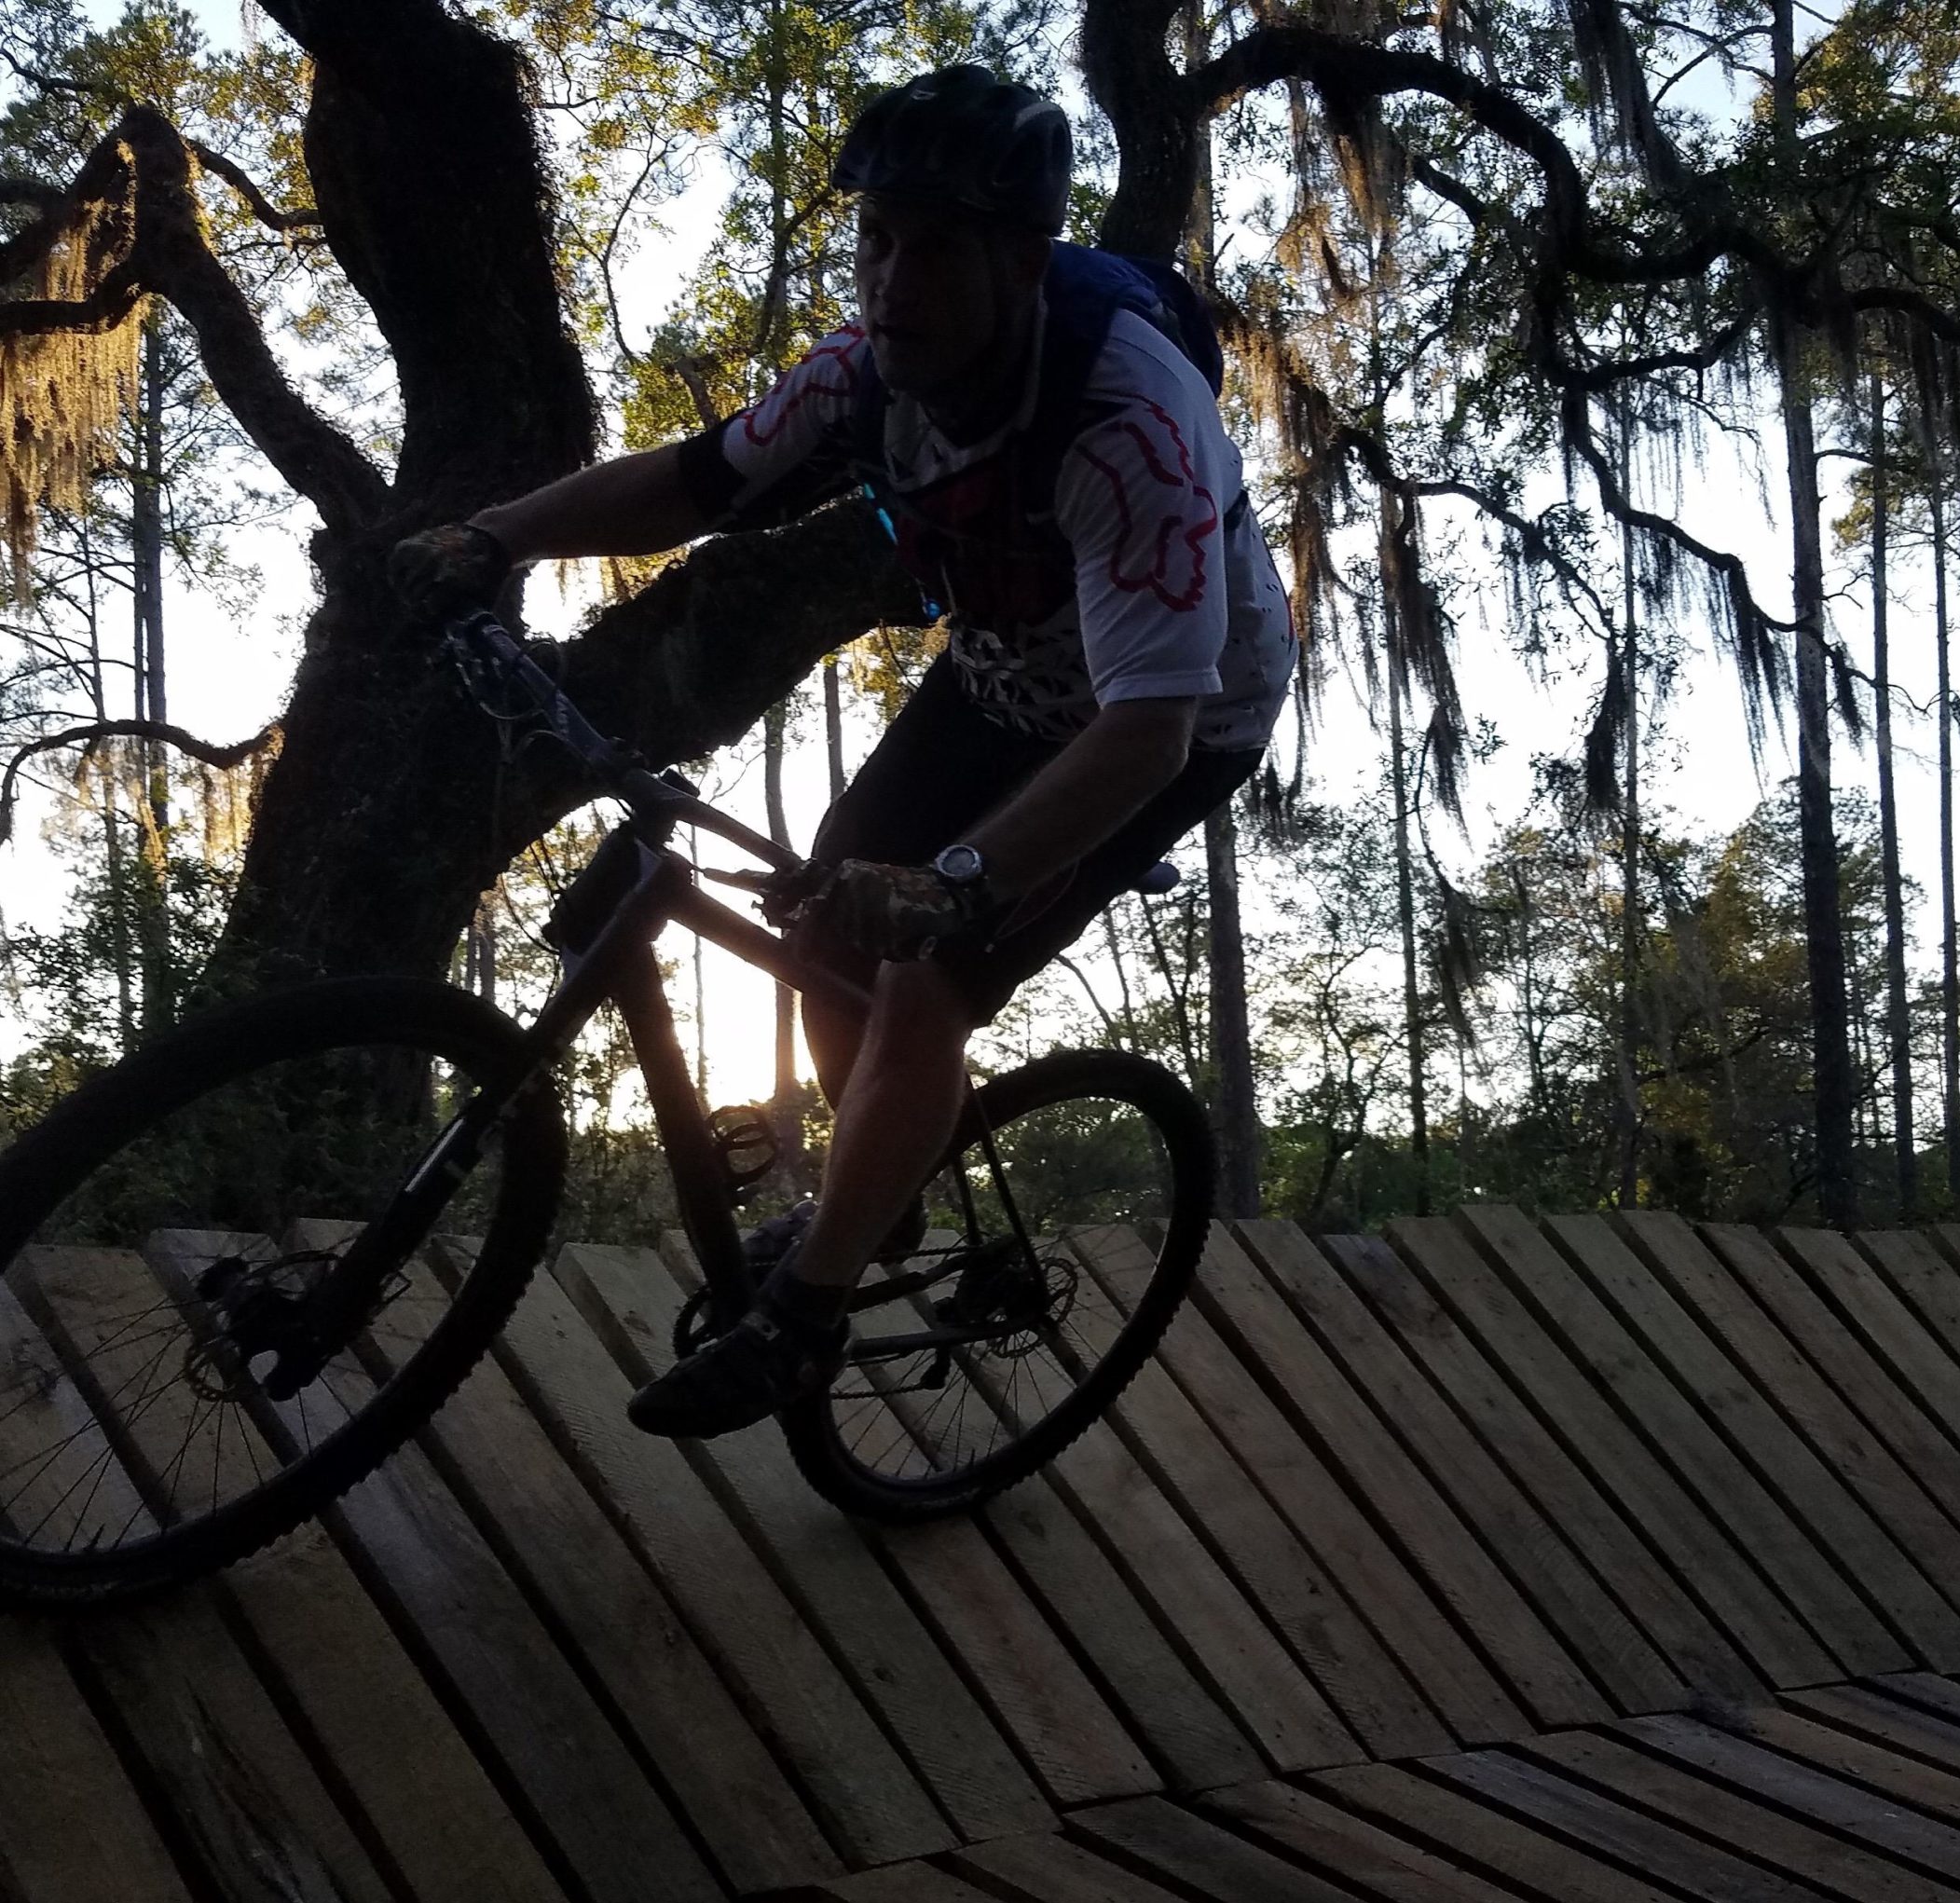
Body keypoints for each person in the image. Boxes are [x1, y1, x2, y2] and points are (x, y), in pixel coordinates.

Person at [393, 62, 1295, 1441]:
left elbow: (1148, 734)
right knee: (830, 910)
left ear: (1019, 259)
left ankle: (802, 1322)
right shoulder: (867, 373)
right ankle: (888, 1197)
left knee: (926, 964)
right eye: (875, 239)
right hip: (1006, 675)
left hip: (1168, 719)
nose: (892, 280)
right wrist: (495, 535)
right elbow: (694, 482)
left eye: (934, 248)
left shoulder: (1131, 429)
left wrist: (964, 882)